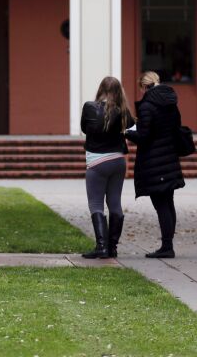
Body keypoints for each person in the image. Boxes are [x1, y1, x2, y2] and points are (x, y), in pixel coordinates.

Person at [126, 71, 185, 259]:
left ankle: (167, 247)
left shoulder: (147, 105)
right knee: (168, 202)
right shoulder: (171, 103)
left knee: (160, 204)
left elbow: (143, 136)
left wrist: (127, 132)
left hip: (154, 161)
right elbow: (175, 127)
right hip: (169, 158)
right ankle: (168, 244)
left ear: (144, 86)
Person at [80, 76, 134, 259]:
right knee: (115, 203)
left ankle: (101, 247)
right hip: (118, 161)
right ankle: (113, 248)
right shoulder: (123, 111)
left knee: (96, 204)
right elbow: (132, 127)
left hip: (97, 161)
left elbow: (85, 128)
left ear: (101, 89)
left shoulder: (89, 107)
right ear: (119, 91)